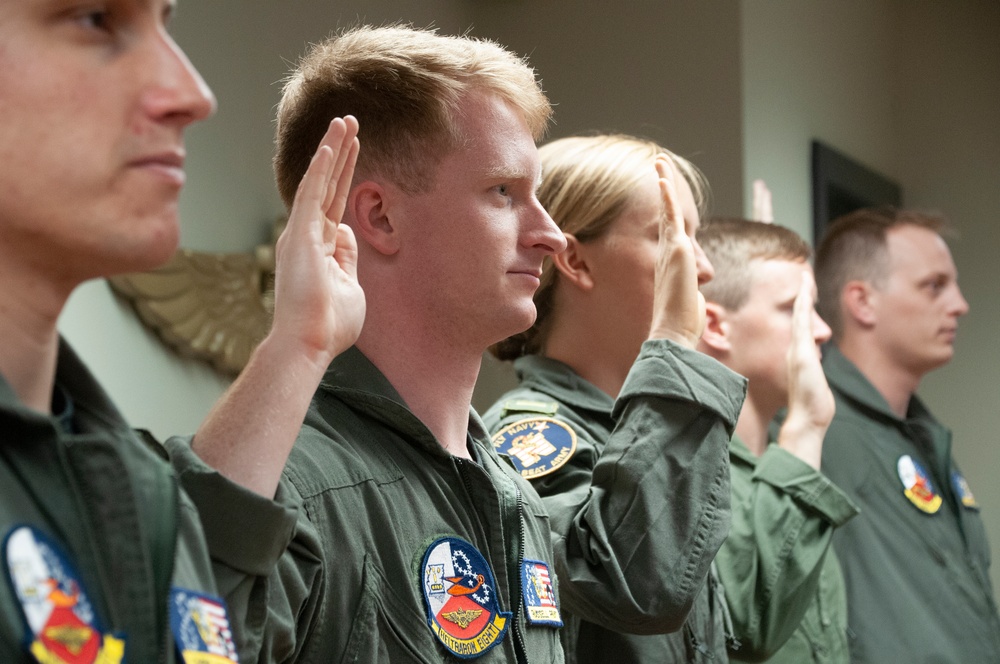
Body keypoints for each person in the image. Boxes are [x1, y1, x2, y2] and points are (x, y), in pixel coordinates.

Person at [173, 30, 745, 663]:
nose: (550, 235)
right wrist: (295, 347)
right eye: (504, 192)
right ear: (381, 217)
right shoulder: (294, 483)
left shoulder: (513, 496)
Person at [0, 2, 364, 662]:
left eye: (165, 23)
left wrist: (301, 345)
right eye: (95, 19)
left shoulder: (136, 485)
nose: (194, 96)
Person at [484, 134, 747, 662]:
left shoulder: (646, 429)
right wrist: (672, 338)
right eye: (670, 237)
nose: (703, 268)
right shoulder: (530, 438)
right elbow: (635, 584)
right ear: (575, 261)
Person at [814, 207, 1000, 661]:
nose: (959, 304)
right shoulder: (818, 428)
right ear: (862, 302)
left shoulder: (918, 433)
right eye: (933, 286)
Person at [696, 218, 858, 662]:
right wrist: (808, 420)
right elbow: (752, 631)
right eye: (794, 310)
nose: (822, 331)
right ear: (715, 324)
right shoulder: (686, 469)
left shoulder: (790, 458)